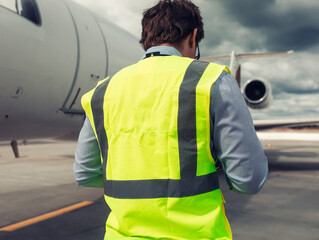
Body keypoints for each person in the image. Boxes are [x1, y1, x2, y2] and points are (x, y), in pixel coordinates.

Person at [73, 0, 268, 239]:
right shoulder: (210, 79)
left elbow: (85, 174)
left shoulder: (101, 92)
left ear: (146, 39)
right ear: (193, 37)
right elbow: (248, 179)